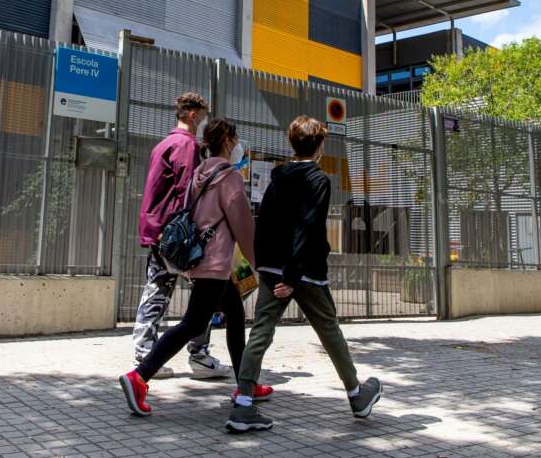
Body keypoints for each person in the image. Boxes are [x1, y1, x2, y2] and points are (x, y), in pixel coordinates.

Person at [225, 115, 383, 433]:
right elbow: (308, 227)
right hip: (304, 271)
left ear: (291, 143)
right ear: (320, 146)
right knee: (329, 330)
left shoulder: (278, 176)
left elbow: (264, 219)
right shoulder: (318, 179)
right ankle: (356, 395)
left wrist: (266, 265)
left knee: (260, 332)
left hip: (272, 267)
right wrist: (292, 277)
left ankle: (243, 405)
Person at [120, 118, 272, 416]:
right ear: (228, 141)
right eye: (236, 138)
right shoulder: (229, 177)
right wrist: (261, 264)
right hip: (216, 264)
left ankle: (247, 383)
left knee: (236, 313)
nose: (238, 143)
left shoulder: (200, 173)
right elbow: (243, 225)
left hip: (201, 260)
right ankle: (139, 376)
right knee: (192, 323)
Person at [132, 92, 231, 379]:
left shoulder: (162, 144)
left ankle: (144, 352)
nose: (203, 121)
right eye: (201, 115)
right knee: (205, 294)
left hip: (158, 229)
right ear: (192, 115)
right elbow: (188, 192)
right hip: (181, 234)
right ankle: (199, 355)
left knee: (156, 290)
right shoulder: (187, 146)